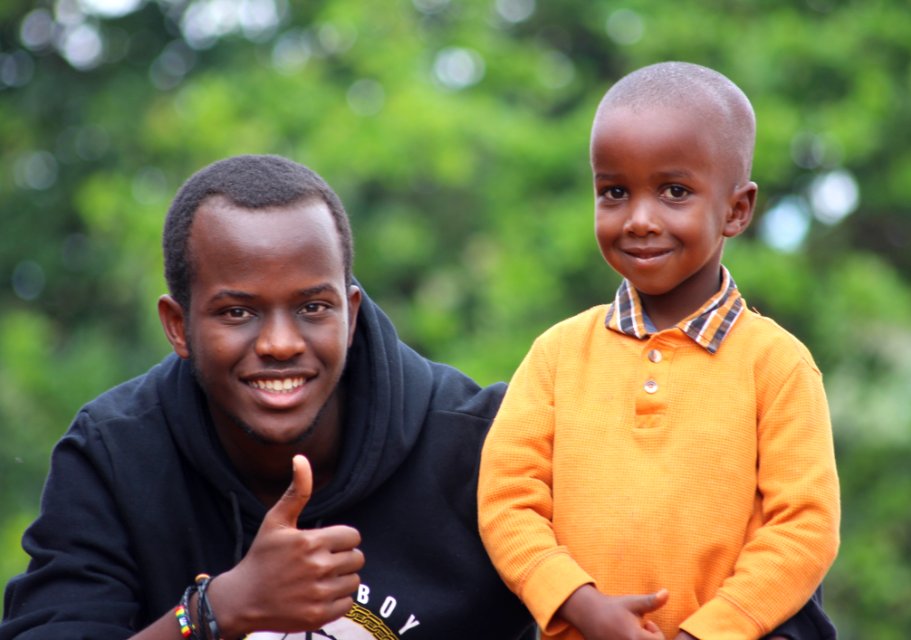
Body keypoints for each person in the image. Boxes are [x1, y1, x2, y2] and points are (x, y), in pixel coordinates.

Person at [0, 154, 554, 639]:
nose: (281, 344)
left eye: (313, 307)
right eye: (236, 312)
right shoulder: (114, 455)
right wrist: (216, 613)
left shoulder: (481, 443)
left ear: (351, 312)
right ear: (178, 326)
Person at [477, 61, 842, 640]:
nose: (640, 220)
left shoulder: (777, 365)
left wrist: (711, 632)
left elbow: (803, 527)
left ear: (736, 210)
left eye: (674, 192)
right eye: (614, 192)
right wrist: (578, 603)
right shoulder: (557, 355)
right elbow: (506, 501)